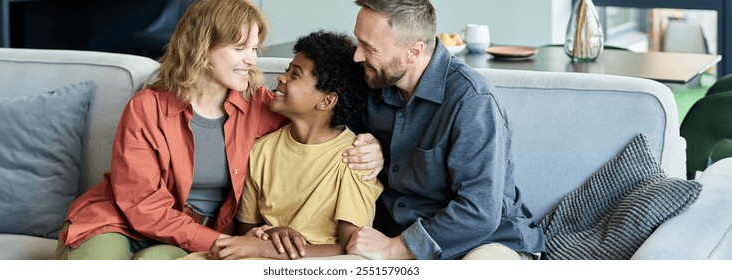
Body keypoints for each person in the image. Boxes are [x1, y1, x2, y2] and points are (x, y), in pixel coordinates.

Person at [54, 0, 383, 260]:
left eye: (255, 49)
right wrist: (230, 241)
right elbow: (143, 206)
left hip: (191, 237)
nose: (251, 61)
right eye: (240, 49)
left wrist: (373, 146)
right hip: (117, 222)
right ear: (201, 48)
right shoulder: (146, 107)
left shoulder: (260, 105)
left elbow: (321, 116)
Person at [345, 0, 546, 260]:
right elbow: (330, 131)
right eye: (358, 41)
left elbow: (479, 212)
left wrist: (397, 248)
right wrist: (367, 143)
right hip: (392, 235)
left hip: (484, 241)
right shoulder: (373, 77)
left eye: (369, 48)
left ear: (414, 51)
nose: (357, 56)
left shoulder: (472, 101)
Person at [179, 30, 383, 260]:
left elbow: (352, 249)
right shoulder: (262, 150)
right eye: (287, 70)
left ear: (326, 100)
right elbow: (246, 230)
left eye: (295, 75)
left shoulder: (356, 159)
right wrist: (270, 236)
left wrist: (271, 250)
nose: (281, 78)